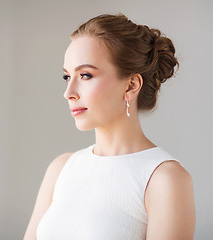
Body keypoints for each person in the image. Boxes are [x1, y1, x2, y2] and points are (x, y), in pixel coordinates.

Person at [24, 13, 196, 240]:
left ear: (131, 85)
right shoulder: (61, 168)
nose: (68, 93)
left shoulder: (164, 179)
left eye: (85, 75)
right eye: (67, 77)